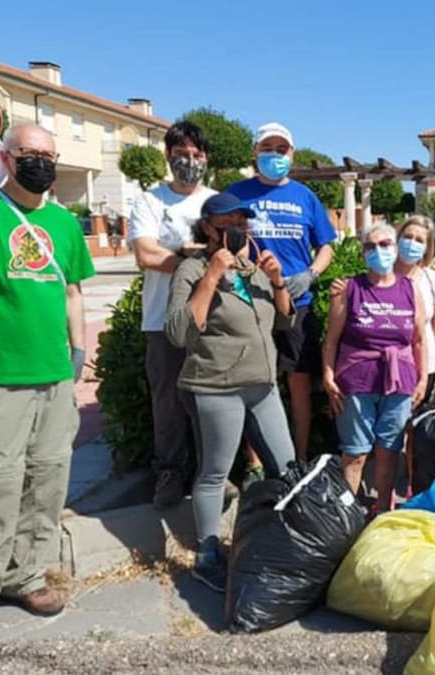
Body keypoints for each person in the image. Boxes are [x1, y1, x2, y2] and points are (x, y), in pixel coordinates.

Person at [0, 123, 95, 644]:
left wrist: (78, 348)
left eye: (49, 155)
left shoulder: (63, 223)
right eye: (30, 153)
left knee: (46, 483)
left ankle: (25, 576)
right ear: (6, 158)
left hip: (53, 380)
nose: (40, 162)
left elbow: (72, 292)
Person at [165, 192, 296, 592]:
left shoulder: (253, 269)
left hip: (263, 385)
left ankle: (285, 544)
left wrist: (276, 283)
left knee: (288, 470)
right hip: (216, 387)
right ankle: (207, 555)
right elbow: (178, 332)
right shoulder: (191, 268)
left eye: (243, 222)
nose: (238, 229)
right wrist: (210, 278)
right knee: (215, 473)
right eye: (229, 222)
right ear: (208, 227)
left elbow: (285, 323)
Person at [225, 123, 337, 462]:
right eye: (267, 148)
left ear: (292, 154)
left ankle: (298, 460)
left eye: (281, 149)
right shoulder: (237, 193)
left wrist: (310, 274)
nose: (275, 155)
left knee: (299, 384)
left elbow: (327, 245)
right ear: (255, 153)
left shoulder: (306, 196)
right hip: (252, 303)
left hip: (297, 305)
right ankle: (255, 464)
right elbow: (223, 240)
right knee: (252, 383)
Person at [128, 121, 216, 509]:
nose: (190, 162)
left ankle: (211, 475)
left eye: (197, 155)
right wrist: (187, 258)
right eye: (182, 154)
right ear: (168, 156)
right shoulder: (150, 200)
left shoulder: (216, 201)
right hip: (161, 320)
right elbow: (145, 254)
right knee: (168, 402)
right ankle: (169, 474)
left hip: (211, 322)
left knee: (210, 401)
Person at [323, 223, 427, 511]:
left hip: (400, 381)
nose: (378, 251)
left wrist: (421, 381)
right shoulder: (349, 288)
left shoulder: (410, 288)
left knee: (388, 451)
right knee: (355, 453)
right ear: (362, 252)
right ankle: (346, 516)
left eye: (384, 244)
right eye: (370, 246)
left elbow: (419, 340)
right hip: (356, 381)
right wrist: (328, 375)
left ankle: (382, 509)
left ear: (395, 249)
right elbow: (331, 340)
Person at [397, 215, 435, 402]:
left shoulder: (431, 279)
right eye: (408, 237)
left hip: (426, 368)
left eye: (419, 240)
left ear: (427, 248)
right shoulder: (382, 276)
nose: (411, 243)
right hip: (393, 367)